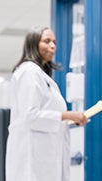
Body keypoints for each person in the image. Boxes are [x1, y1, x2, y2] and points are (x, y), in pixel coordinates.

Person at [5, 27, 88, 181]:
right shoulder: (29, 73)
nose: (52, 46)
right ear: (33, 44)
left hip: (44, 159)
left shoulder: (39, 75)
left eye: (54, 42)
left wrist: (67, 119)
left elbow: (43, 116)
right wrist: (66, 115)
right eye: (47, 41)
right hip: (31, 162)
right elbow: (30, 116)